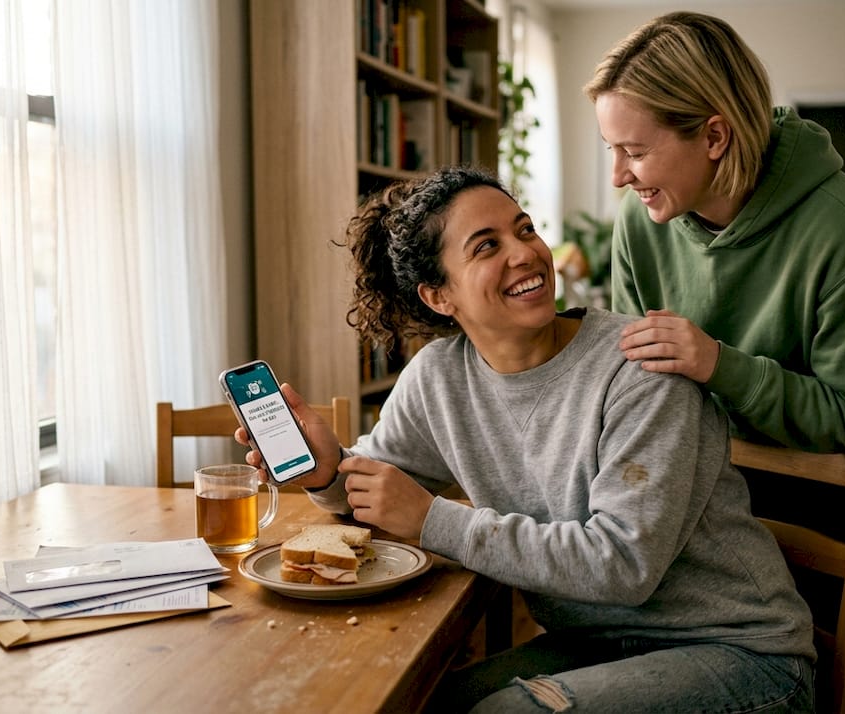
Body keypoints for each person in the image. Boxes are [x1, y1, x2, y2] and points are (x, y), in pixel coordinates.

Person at [238, 166, 815, 712]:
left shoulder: (640, 368)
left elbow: (623, 566)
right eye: (486, 246)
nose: (526, 254)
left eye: (525, 229)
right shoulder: (441, 376)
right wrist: (325, 468)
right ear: (439, 297)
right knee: (415, 702)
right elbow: (379, 490)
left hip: (739, 654)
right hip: (598, 644)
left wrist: (434, 520)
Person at [584, 12, 845, 712]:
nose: (618, 177)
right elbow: (632, 378)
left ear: (714, 134)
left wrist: (718, 364)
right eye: (612, 151)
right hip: (710, 474)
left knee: (840, 690)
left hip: (838, 487)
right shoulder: (642, 226)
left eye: (634, 152)